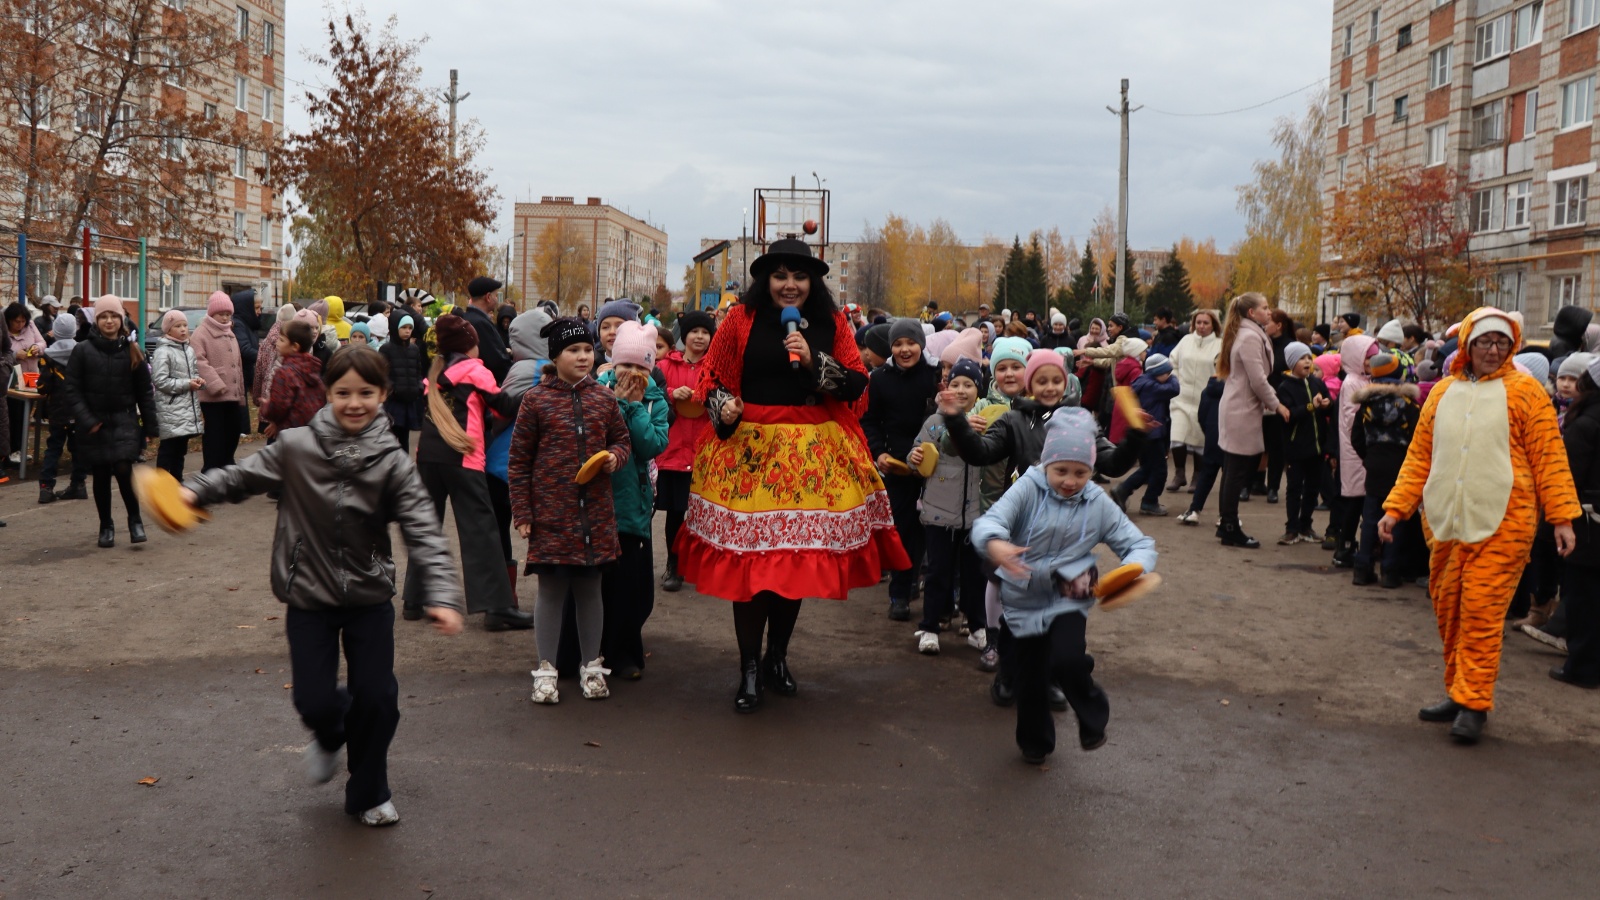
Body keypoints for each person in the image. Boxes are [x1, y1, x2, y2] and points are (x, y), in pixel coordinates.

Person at [179, 346, 466, 827]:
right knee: (314, 700)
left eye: (366, 393)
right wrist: (195, 489)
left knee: (377, 700)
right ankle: (331, 735)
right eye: (343, 392)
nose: (355, 403)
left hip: (369, 596)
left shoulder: (393, 462)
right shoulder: (296, 446)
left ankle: (370, 792)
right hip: (308, 594)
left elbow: (424, 529)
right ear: (328, 393)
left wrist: (440, 594)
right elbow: (241, 475)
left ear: (384, 395)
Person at [674, 239, 910, 714]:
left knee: (793, 565)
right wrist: (726, 409)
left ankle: (777, 656)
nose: (789, 285)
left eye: (799, 277)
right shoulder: (739, 320)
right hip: (749, 452)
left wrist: (813, 361)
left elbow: (857, 384)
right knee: (752, 568)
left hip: (811, 454)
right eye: (780, 276)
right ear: (767, 280)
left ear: (811, 282)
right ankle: (749, 667)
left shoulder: (831, 322)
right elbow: (712, 381)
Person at [1379, 307, 1579, 745]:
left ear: (1513, 348)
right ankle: (1458, 690)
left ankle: (1475, 703)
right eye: (1485, 342)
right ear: (1467, 344)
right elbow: (1419, 457)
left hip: (1505, 520)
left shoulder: (1527, 392)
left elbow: (1550, 458)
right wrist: (1396, 509)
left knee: (1482, 610)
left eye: (1502, 343)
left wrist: (1561, 517)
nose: (1492, 350)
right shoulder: (1442, 392)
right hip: (1447, 519)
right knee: (1450, 606)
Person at [972, 407, 1157, 764]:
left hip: (1069, 596)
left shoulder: (1098, 502)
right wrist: (995, 542)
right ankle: (1035, 742)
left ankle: (1092, 718)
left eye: (1081, 472)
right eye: (1061, 471)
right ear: (1045, 464)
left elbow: (1139, 543)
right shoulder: (1027, 487)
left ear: (1092, 470)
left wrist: (1134, 568)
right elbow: (989, 521)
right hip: (1022, 598)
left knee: (1068, 659)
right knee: (1030, 679)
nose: (1070, 481)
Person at [509, 317, 633, 704]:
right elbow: (519, 461)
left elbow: (623, 441)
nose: (583, 357)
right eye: (573, 351)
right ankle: (546, 669)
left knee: (590, 589)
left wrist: (614, 457)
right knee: (550, 590)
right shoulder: (535, 401)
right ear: (555, 356)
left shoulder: (605, 398)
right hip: (552, 515)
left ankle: (591, 667)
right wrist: (523, 512)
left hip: (595, 515)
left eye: (587, 349)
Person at [403, 315, 531, 631]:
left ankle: (413, 601)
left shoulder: (434, 373)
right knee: (481, 532)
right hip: (463, 457)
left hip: (428, 458)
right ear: (469, 345)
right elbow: (502, 406)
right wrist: (530, 392)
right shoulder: (475, 371)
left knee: (426, 526)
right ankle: (496, 608)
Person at [594, 321, 670, 680]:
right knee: (601, 583)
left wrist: (634, 407)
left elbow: (651, 446)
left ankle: (625, 652)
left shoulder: (655, 400)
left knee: (632, 587)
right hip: (601, 501)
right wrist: (617, 403)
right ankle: (594, 649)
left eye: (642, 367)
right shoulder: (597, 392)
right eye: (626, 365)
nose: (633, 373)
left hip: (635, 506)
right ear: (613, 362)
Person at [907, 357, 988, 656]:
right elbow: (916, 456)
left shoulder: (986, 420)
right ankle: (930, 626)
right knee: (938, 571)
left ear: (979, 390)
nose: (962, 390)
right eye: (955, 384)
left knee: (974, 574)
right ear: (946, 389)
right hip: (938, 512)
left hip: (975, 515)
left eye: (969, 384)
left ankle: (977, 625)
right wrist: (913, 458)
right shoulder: (934, 422)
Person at [63, 295, 158, 548]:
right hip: (95, 423)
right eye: (103, 316)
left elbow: (144, 392)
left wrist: (150, 426)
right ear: (96, 320)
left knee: (124, 469)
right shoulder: (82, 350)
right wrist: (87, 420)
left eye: (113, 316)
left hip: (124, 419)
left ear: (121, 319)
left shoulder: (132, 351)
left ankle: (135, 519)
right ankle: (106, 525)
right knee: (102, 474)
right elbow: (71, 389)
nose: (109, 321)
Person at [864, 318, 941, 621]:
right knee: (901, 529)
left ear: (920, 344)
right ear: (891, 347)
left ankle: (923, 587)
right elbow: (869, 420)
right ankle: (899, 592)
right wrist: (879, 452)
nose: (905, 349)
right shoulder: (879, 379)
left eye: (910, 342)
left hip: (936, 467)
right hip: (897, 466)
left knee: (930, 531)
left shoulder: (935, 375)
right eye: (898, 344)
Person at [1216, 293, 1290, 549]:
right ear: (1251, 313)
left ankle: (1227, 523)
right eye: (1265, 308)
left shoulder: (1246, 333)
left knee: (1232, 469)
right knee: (1235, 471)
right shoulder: (1249, 336)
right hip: (1242, 408)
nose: (1269, 312)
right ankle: (1229, 526)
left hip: (1239, 406)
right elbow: (1258, 379)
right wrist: (1277, 404)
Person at [656, 309, 715, 592]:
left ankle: (703, 567)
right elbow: (651, 394)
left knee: (704, 514)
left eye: (705, 332)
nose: (700, 337)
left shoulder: (716, 366)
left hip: (706, 453)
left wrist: (709, 397)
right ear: (685, 336)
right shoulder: (666, 365)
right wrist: (671, 393)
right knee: (676, 514)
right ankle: (674, 565)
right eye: (695, 332)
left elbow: (727, 396)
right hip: (673, 451)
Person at [1550, 357, 1600, 688]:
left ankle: (1581, 668)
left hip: (1587, 523)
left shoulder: (1584, 424)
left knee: (1584, 598)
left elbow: (1567, 477)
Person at [1349, 352, 1419, 586]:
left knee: (1370, 518)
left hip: (1375, 465)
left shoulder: (1366, 405)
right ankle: (1390, 571)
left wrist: (1368, 458)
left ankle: (1362, 567)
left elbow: (1356, 437)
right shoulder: (1409, 405)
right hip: (1401, 465)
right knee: (1396, 518)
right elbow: (1418, 438)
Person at [1274, 341, 1333, 545]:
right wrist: (1310, 406)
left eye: (1309, 357)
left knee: (1312, 489)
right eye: (1302, 358)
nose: (1307, 361)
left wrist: (1327, 404)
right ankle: (1291, 528)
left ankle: (1306, 525)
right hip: (1296, 447)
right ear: (1292, 363)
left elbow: (1327, 404)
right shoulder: (1285, 387)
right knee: (1294, 488)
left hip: (1316, 447)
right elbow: (1288, 415)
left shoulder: (1317, 382)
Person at [1113, 353, 1179, 516]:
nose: (1170, 376)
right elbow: (1174, 389)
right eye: (1166, 373)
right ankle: (1148, 500)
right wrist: (1174, 378)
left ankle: (1124, 490)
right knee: (1159, 470)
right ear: (1156, 373)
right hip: (1152, 433)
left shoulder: (1143, 382)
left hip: (1144, 433)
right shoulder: (1152, 386)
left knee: (1148, 468)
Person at [1333, 335, 1378, 566]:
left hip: (1362, 447)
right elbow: (1352, 418)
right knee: (1353, 500)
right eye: (1368, 357)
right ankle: (1344, 547)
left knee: (1361, 498)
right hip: (1355, 449)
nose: (1372, 362)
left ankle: (1352, 544)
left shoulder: (1363, 380)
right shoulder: (1352, 382)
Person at [1168, 309, 1222, 493]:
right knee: (1177, 436)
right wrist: (1175, 380)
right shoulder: (1185, 341)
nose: (1201, 326)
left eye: (1206, 323)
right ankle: (1179, 473)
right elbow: (1173, 362)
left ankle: (1197, 476)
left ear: (1213, 325)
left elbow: (1223, 370)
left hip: (1205, 400)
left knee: (1200, 441)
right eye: (1198, 322)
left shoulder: (1219, 345)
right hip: (1181, 397)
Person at [192, 292, 247, 472]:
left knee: (233, 430)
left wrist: (240, 392)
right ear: (212, 313)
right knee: (215, 433)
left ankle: (227, 462)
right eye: (221, 314)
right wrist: (216, 383)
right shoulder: (201, 333)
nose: (225, 318)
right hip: (213, 395)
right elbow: (199, 361)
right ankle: (211, 468)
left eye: (228, 314)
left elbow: (237, 364)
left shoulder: (230, 333)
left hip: (232, 394)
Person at [35, 313, 87, 502]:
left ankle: (46, 487)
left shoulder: (48, 356)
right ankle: (78, 484)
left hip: (58, 410)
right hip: (79, 410)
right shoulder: (82, 351)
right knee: (78, 449)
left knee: (54, 448)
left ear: (55, 331)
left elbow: (43, 387)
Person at [150, 309, 206, 482]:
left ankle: (176, 480)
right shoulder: (163, 351)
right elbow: (160, 381)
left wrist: (197, 380)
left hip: (185, 408)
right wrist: (186, 384)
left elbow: (192, 372)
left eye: (185, 325)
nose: (183, 329)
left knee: (181, 448)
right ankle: (162, 483)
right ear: (168, 330)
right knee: (168, 448)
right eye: (177, 326)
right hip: (170, 409)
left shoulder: (188, 350)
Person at [1175, 370, 1226, 526]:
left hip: (1212, 438)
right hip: (1230, 437)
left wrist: (1209, 432)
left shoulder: (1207, 391)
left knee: (1206, 474)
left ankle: (1194, 510)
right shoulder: (1234, 390)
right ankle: (1226, 516)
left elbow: (1201, 416)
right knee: (1229, 477)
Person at [259, 321, 326, 438]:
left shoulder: (284, 373)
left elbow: (278, 406)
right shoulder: (311, 368)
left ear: (295, 346)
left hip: (289, 434)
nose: (276, 342)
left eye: (281, 340)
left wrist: (266, 407)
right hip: (311, 432)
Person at [379, 315, 426, 453]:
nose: (407, 331)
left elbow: (418, 371)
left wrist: (418, 387)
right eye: (403, 327)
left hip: (409, 400)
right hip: (393, 402)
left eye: (410, 328)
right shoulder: (386, 349)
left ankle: (404, 467)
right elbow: (383, 374)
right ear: (395, 328)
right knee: (391, 437)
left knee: (405, 438)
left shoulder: (414, 349)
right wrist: (392, 389)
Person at [459, 277, 512, 383]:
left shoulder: (468, 318)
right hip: (487, 385)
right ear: (488, 297)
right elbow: (495, 361)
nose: (497, 300)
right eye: (496, 296)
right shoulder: (480, 323)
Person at [254, 304, 297, 418]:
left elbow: (258, 371)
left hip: (266, 399)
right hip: (286, 405)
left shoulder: (266, 341)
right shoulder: (295, 341)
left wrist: (257, 398)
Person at [230, 289, 261, 402]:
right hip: (239, 378)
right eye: (256, 308)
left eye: (260, 308)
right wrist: (264, 355)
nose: (259, 312)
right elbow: (244, 349)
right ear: (246, 307)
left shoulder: (249, 323)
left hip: (246, 376)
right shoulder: (238, 324)